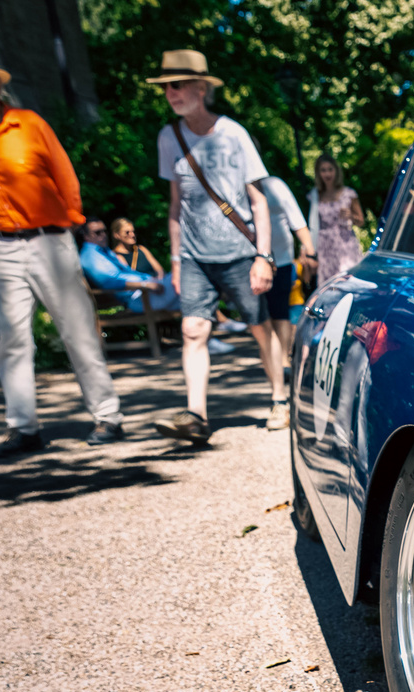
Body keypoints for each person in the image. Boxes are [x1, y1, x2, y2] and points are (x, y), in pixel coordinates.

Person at [0, 48, 126, 455]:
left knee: (77, 331)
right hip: (2, 248)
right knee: (12, 340)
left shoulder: (29, 123)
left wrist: (69, 223)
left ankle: (108, 416)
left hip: (49, 241)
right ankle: (23, 428)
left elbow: (64, 175)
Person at [148, 50, 280, 443]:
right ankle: (196, 416)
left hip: (241, 252)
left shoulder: (233, 135)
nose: (171, 93)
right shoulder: (168, 138)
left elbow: (259, 201)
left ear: (201, 88)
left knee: (260, 328)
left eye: (178, 85)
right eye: (166, 87)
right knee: (193, 330)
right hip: (193, 256)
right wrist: (174, 260)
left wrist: (263, 257)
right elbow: (175, 206)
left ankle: (279, 398)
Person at [258, 172, 317, 428]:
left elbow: (296, 219)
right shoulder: (229, 188)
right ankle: (278, 390)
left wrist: (311, 252)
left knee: (280, 315)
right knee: (261, 324)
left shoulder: (274, 184)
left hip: (280, 262)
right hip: (246, 265)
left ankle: (283, 364)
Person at [79, 217, 179, 313]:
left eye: (104, 231)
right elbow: (108, 282)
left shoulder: (104, 252)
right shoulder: (90, 256)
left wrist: (150, 281)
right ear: (86, 236)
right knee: (185, 273)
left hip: (147, 291)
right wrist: (145, 284)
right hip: (139, 296)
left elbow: (156, 270)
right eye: (98, 232)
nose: (103, 235)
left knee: (188, 293)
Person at [309, 154, 366, 280]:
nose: (327, 173)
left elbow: (361, 221)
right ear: (318, 173)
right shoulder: (314, 196)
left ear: (336, 170)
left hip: (345, 244)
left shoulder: (349, 193)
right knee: (330, 286)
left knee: (348, 280)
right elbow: (311, 225)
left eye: (330, 169)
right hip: (325, 247)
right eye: (323, 170)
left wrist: (350, 216)